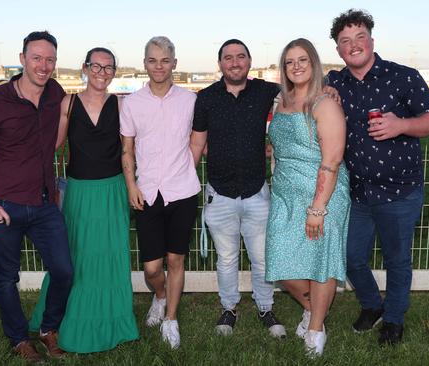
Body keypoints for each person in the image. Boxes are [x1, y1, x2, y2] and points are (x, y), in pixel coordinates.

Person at [327, 9, 429, 345]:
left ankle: (393, 318)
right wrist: (325, 89)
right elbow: (307, 94)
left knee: (397, 260)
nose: (353, 45)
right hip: (359, 193)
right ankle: (372, 304)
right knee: (349, 257)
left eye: (359, 37)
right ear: (338, 50)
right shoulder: (336, 82)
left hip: (400, 191)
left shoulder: (402, 76)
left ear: (372, 41)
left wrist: (401, 125)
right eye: (345, 41)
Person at [0, 30, 72, 363]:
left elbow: (55, 138)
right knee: (7, 277)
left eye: (50, 59)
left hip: (44, 203)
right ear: (22, 59)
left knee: (64, 270)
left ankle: (48, 329)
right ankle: (17, 337)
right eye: (36, 58)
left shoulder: (55, 92)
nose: (43, 65)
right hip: (5, 206)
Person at [28, 47, 139, 353]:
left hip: (112, 190)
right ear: (85, 68)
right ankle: (64, 317)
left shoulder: (122, 105)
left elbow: (131, 148)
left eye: (109, 68)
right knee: (75, 255)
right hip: (78, 192)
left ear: (114, 73)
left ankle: (112, 319)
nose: (102, 73)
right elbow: (54, 143)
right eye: (96, 67)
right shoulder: (69, 102)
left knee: (110, 254)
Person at [190, 39, 286, 338]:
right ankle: (229, 307)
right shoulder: (205, 98)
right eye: (228, 58)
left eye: (240, 57)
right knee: (227, 258)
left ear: (249, 61)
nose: (234, 62)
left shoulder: (265, 91)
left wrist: (331, 84)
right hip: (220, 193)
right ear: (220, 63)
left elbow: (302, 89)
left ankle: (265, 307)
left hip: (257, 192)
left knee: (261, 258)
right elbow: (197, 142)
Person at [265, 38, 349, 356]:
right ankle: (315, 310)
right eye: (289, 61)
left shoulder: (324, 103)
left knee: (320, 262)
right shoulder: (281, 101)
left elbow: (331, 160)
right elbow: (282, 142)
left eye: (302, 60)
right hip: (286, 193)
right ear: (284, 68)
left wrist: (318, 208)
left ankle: (315, 330)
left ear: (313, 64)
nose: (296, 66)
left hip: (322, 195)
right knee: (280, 261)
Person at [120, 36, 200, 349]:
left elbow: (197, 140)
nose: (159, 66)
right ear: (145, 64)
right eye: (153, 60)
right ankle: (161, 294)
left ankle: (171, 318)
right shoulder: (133, 104)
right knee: (152, 267)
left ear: (174, 64)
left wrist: (187, 169)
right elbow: (127, 150)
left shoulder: (190, 101)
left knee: (175, 259)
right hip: (147, 193)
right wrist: (131, 186)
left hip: (182, 192)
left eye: (165, 60)